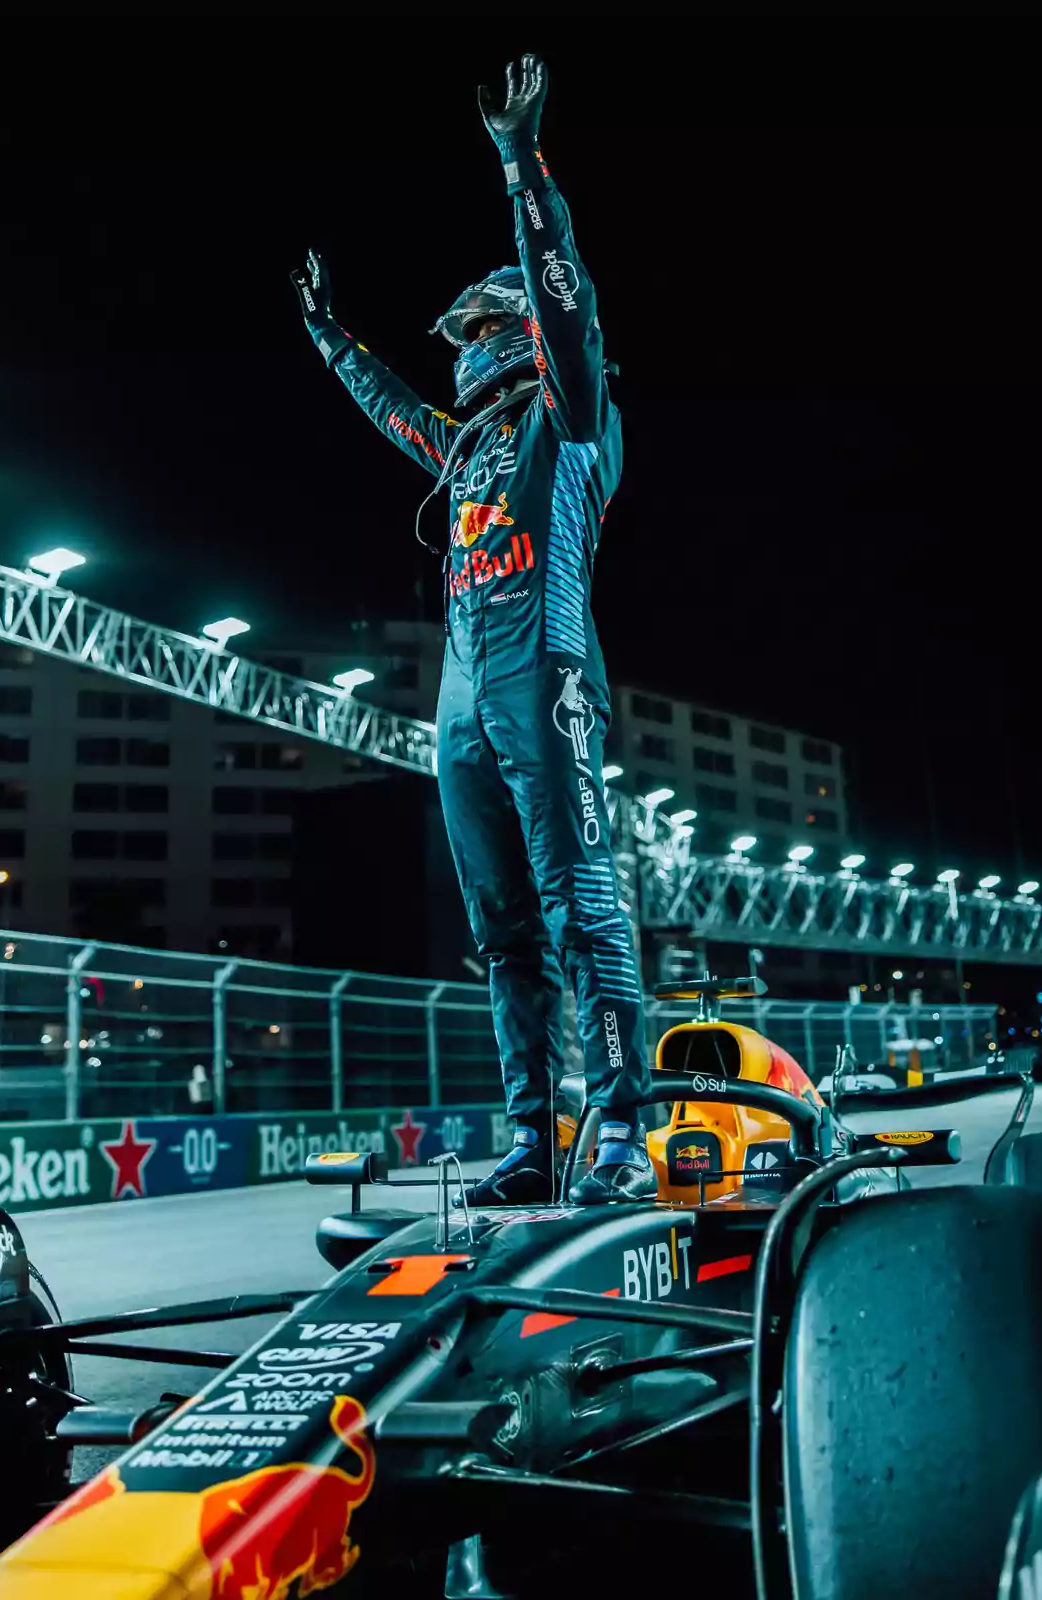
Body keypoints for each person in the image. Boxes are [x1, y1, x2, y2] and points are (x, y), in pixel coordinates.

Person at [292, 54, 652, 1204]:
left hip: (543, 675)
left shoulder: (570, 408)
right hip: (460, 696)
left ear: (511, 327)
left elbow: (568, 297)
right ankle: (532, 1137)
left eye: (472, 328)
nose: (457, 347)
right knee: (501, 929)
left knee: (578, 902)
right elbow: (402, 411)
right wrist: (332, 343)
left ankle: (617, 1131)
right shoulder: (464, 447)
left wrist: (520, 163)